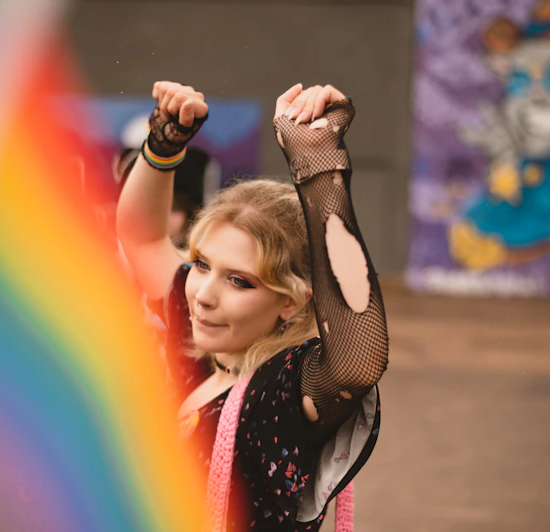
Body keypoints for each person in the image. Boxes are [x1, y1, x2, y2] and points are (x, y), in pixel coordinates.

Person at [116, 81, 389, 531]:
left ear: (290, 301)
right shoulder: (205, 344)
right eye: (202, 264)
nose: (203, 293)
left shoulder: (281, 392)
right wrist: (163, 145)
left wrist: (317, 163)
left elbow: (359, 359)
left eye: (240, 282)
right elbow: (143, 238)